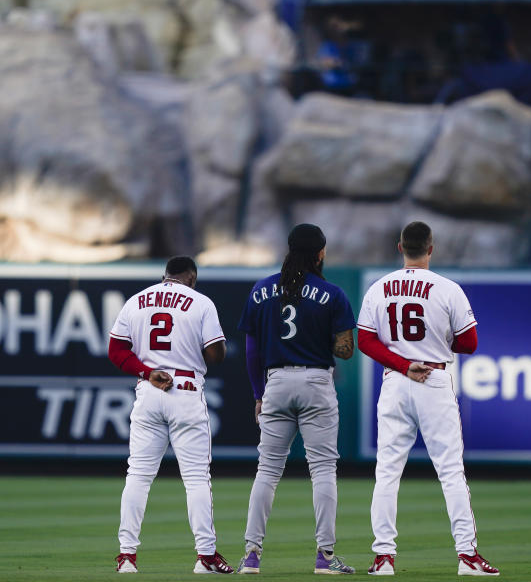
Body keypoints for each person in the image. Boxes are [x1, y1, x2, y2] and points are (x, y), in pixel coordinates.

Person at [357, 222, 500, 577]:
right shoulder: (447, 288)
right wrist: (437, 342)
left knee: (387, 472)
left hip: (395, 380)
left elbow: (365, 341)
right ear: (431, 248)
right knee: (450, 471)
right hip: (433, 378)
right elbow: (469, 343)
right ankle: (467, 557)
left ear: (400, 246)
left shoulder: (379, 287)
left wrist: (404, 364)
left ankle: (383, 558)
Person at [236, 224, 357, 575]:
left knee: (268, 471)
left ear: (289, 250)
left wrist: (259, 393)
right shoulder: (332, 294)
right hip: (316, 380)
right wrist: (326, 339)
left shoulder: (261, 290)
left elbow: (251, 349)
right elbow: (345, 350)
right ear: (320, 253)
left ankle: (252, 554)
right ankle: (325, 556)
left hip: (275, 382)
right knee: (322, 470)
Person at [107, 256, 234, 575]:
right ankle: (205, 557)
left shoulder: (137, 300)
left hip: (149, 388)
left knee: (137, 475)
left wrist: (147, 371)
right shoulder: (201, 302)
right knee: (195, 479)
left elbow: (116, 351)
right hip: (186, 391)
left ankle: (126, 556)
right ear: (191, 277)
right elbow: (215, 355)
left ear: (166, 275)